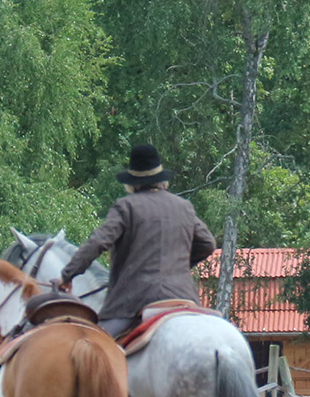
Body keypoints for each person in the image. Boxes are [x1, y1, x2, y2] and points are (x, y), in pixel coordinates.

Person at [61, 144, 219, 339]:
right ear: (163, 181)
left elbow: (97, 242)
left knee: (92, 346)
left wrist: (67, 275)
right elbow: (207, 243)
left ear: (132, 182)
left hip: (133, 301)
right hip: (183, 297)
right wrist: (176, 266)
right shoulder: (183, 207)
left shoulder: (126, 206)